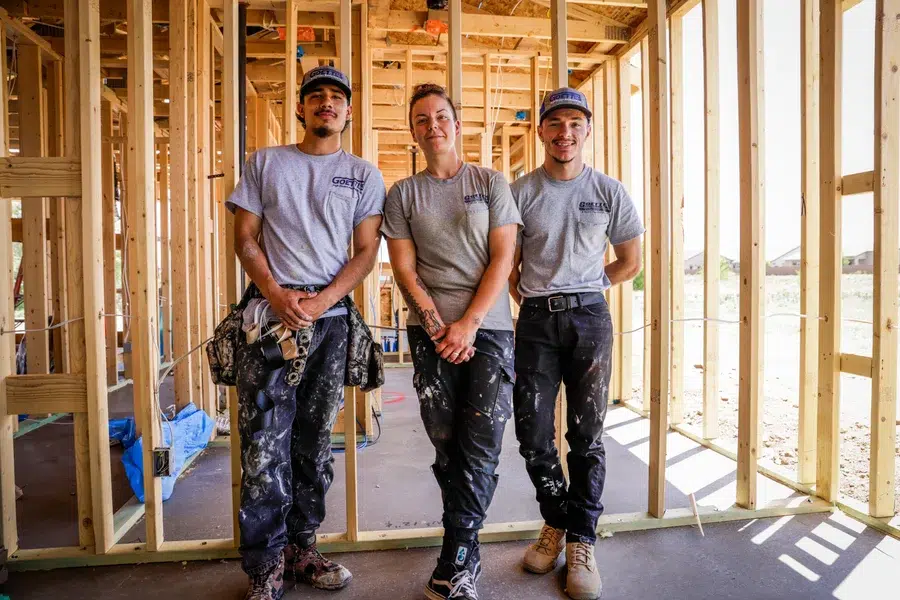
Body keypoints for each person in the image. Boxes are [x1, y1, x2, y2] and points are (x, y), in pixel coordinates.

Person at [225, 65, 385, 600]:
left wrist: (320, 302)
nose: (326, 103)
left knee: (314, 444)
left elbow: (366, 252)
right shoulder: (267, 163)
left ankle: (301, 548)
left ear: (348, 112)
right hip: (270, 321)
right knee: (264, 444)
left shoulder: (362, 174)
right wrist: (275, 294)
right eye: (315, 95)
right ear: (300, 108)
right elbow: (244, 237)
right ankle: (265, 565)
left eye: (336, 97)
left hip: (331, 320)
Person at [380, 83, 522, 600]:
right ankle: (468, 546)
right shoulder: (403, 194)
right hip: (431, 334)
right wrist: (439, 325)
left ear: (456, 124)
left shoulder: (489, 181)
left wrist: (470, 325)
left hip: (490, 331)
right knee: (447, 445)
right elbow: (403, 268)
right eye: (422, 119)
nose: (433, 125)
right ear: (414, 131)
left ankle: (455, 558)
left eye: (441, 115)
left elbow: (503, 258)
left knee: (479, 445)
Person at [509, 87, 643, 600]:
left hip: (590, 318)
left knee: (586, 437)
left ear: (586, 130)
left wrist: (590, 285)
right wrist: (530, 296)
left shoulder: (609, 191)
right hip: (537, 323)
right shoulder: (521, 192)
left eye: (574, 123)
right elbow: (508, 263)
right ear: (541, 131)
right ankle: (556, 521)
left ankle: (581, 539)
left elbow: (629, 261)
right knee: (533, 434)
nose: (565, 132)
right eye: (555, 123)